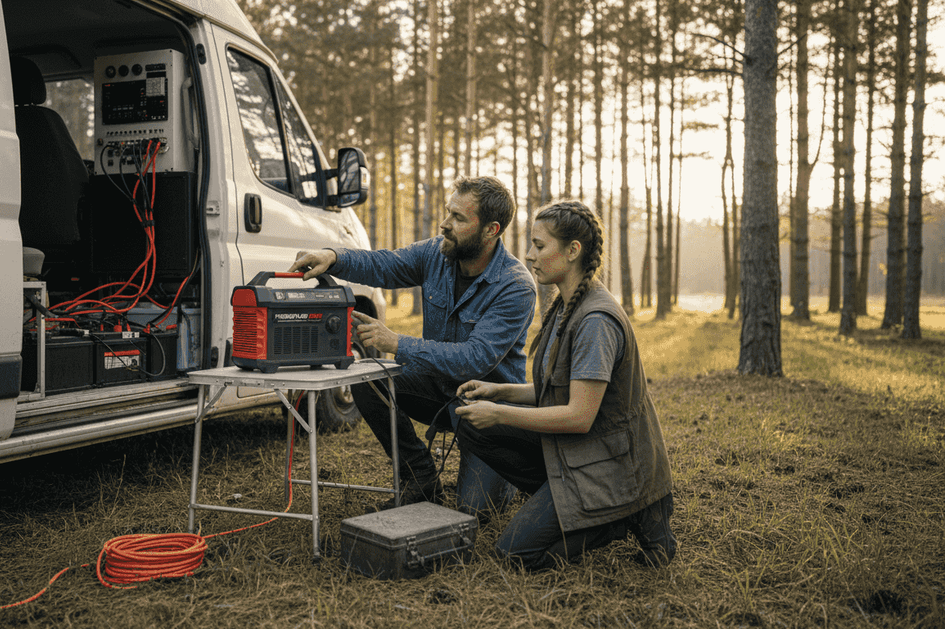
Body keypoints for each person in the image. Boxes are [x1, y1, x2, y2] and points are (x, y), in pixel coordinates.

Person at [289, 176, 537, 516]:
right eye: (448, 212)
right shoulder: (436, 252)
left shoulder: (515, 286)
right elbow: (383, 264)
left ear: (491, 230)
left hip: (487, 407)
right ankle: (419, 476)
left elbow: (475, 359)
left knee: (476, 510)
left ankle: (511, 467)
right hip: (436, 388)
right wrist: (332, 257)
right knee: (369, 379)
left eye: (458, 218)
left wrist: (396, 342)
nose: (445, 224)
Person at [453, 200, 676, 570]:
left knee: (514, 556)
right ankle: (560, 498)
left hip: (611, 467)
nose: (529, 255)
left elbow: (578, 416)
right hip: (578, 453)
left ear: (573, 250)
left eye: (540, 245)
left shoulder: (595, 321)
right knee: (470, 424)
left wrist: (500, 413)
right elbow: (557, 391)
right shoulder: (565, 304)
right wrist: (499, 392)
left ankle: (622, 516)